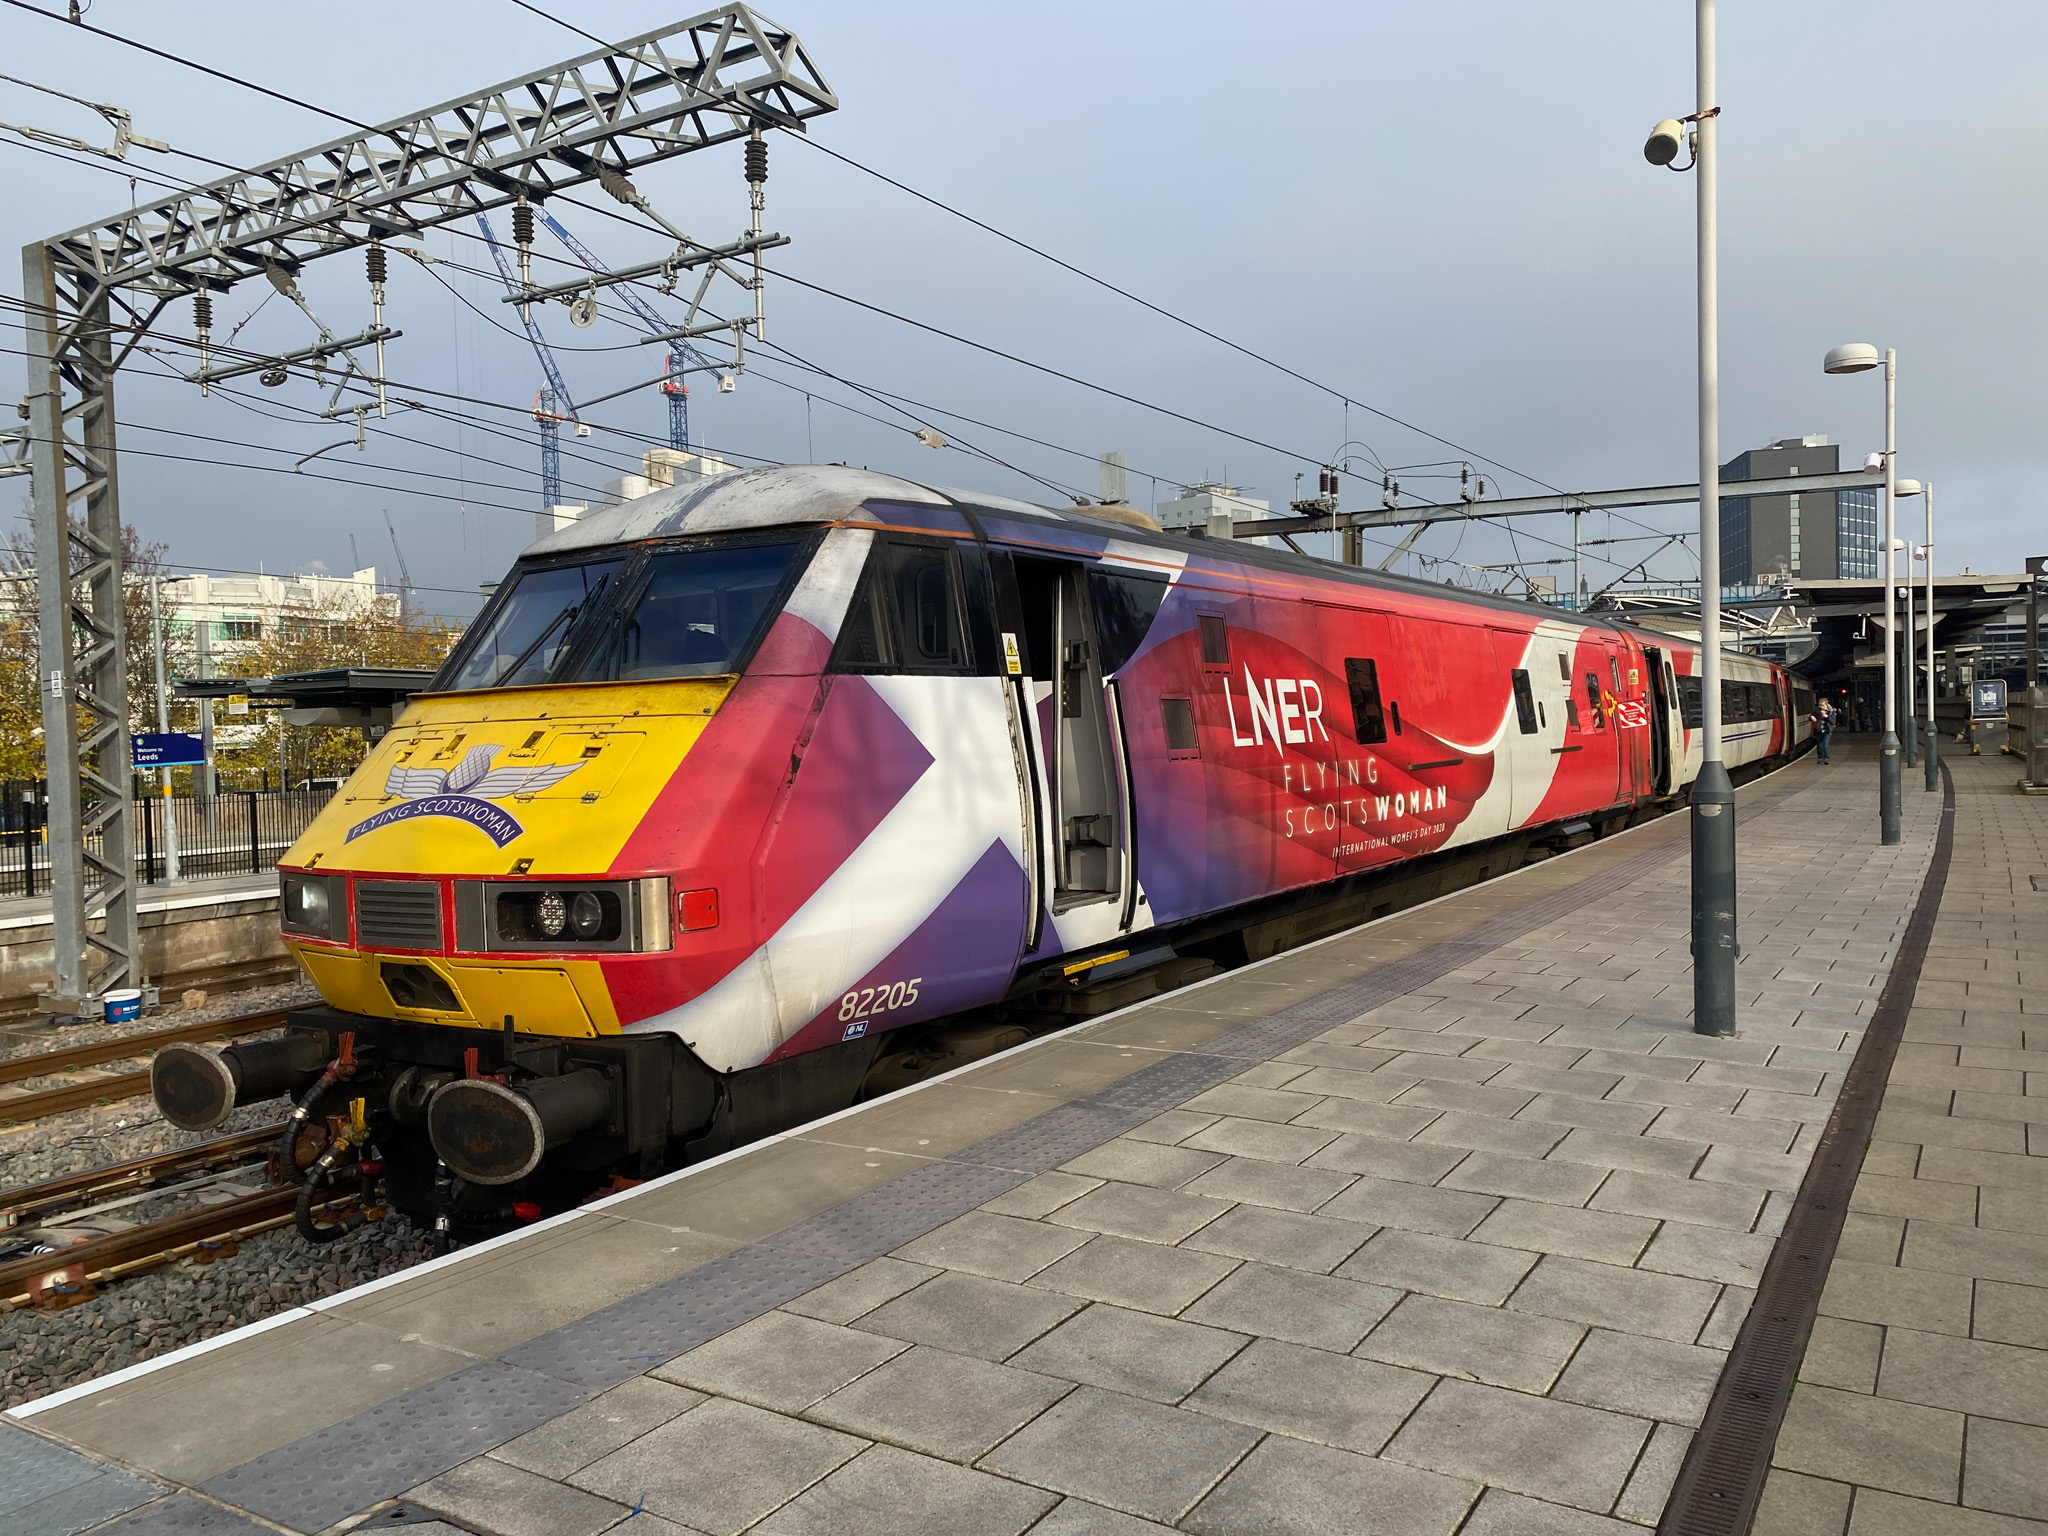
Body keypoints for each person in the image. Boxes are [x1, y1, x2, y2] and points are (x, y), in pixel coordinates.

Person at [1811, 697, 1834, 765]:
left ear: (1826, 704)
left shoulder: (1831, 711)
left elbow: (1833, 721)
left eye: (1822, 705)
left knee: (1825, 745)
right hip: (1819, 730)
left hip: (1827, 730)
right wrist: (1811, 717)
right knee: (1819, 745)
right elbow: (1811, 716)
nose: (1821, 707)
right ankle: (1820, 757)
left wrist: (1827, 717)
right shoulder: (1816, 710)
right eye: (1820, 705)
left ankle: (1826, 758)